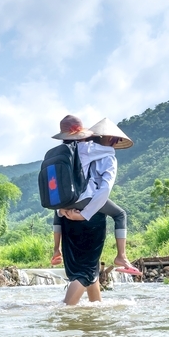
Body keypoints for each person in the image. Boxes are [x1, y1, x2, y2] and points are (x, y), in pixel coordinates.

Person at [50, 116, 141, 276]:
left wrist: (60, 208)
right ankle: (121, 255)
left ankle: (56, 249)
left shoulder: (61, 152)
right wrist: (85, 215)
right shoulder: (90, 150)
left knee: (58, 212)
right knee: (120, 214)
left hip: (64, 199)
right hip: (84, 198)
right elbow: (104, 188)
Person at [47, 117, 110, 304]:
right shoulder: (89, 151)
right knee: (85, 271)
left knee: (89, 268)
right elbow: (104, 187)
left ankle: (96, 306)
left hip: (65, 213)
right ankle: (64, 312)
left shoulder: (57, 154)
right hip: (88, 214)